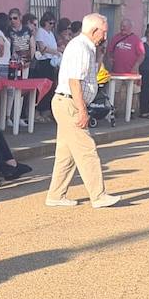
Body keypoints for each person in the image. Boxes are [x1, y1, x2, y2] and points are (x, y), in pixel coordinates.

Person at [47, 14, 118, 209]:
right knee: (87, 150)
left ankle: (56, 195)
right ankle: (98, 195)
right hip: (69, 102)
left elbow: (87, 77)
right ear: (95, 30)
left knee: (66, 154)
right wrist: (82, 110)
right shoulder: (81, 47)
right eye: (104, 31)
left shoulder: (87, 47)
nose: (105, 35)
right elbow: (74, 81)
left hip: (67, 102)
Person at [31, 12, 62, 121]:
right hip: (43, 62)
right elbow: (42, 48)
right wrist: (56, 51)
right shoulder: (41, 32)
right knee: (41, 88)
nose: (52, 25)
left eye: (53, 23)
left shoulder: (50, 34)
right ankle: (36, 112)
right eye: (50, 23)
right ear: (45, 22)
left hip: (51, 62)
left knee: (49, 88)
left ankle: (44, 111)